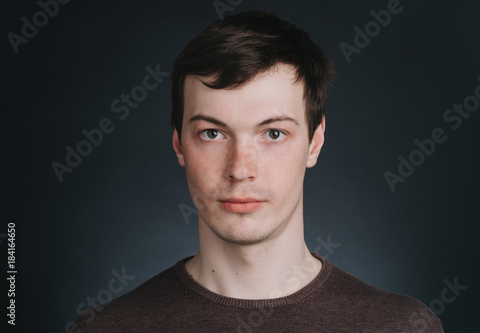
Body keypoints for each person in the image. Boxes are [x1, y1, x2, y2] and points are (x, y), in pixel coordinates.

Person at [70, 10, 444, 333]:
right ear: (179, 144)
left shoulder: (401, 326)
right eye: (212, 133)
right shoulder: (105, 328)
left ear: (314, 142)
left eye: (273, 133)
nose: (240, 169)